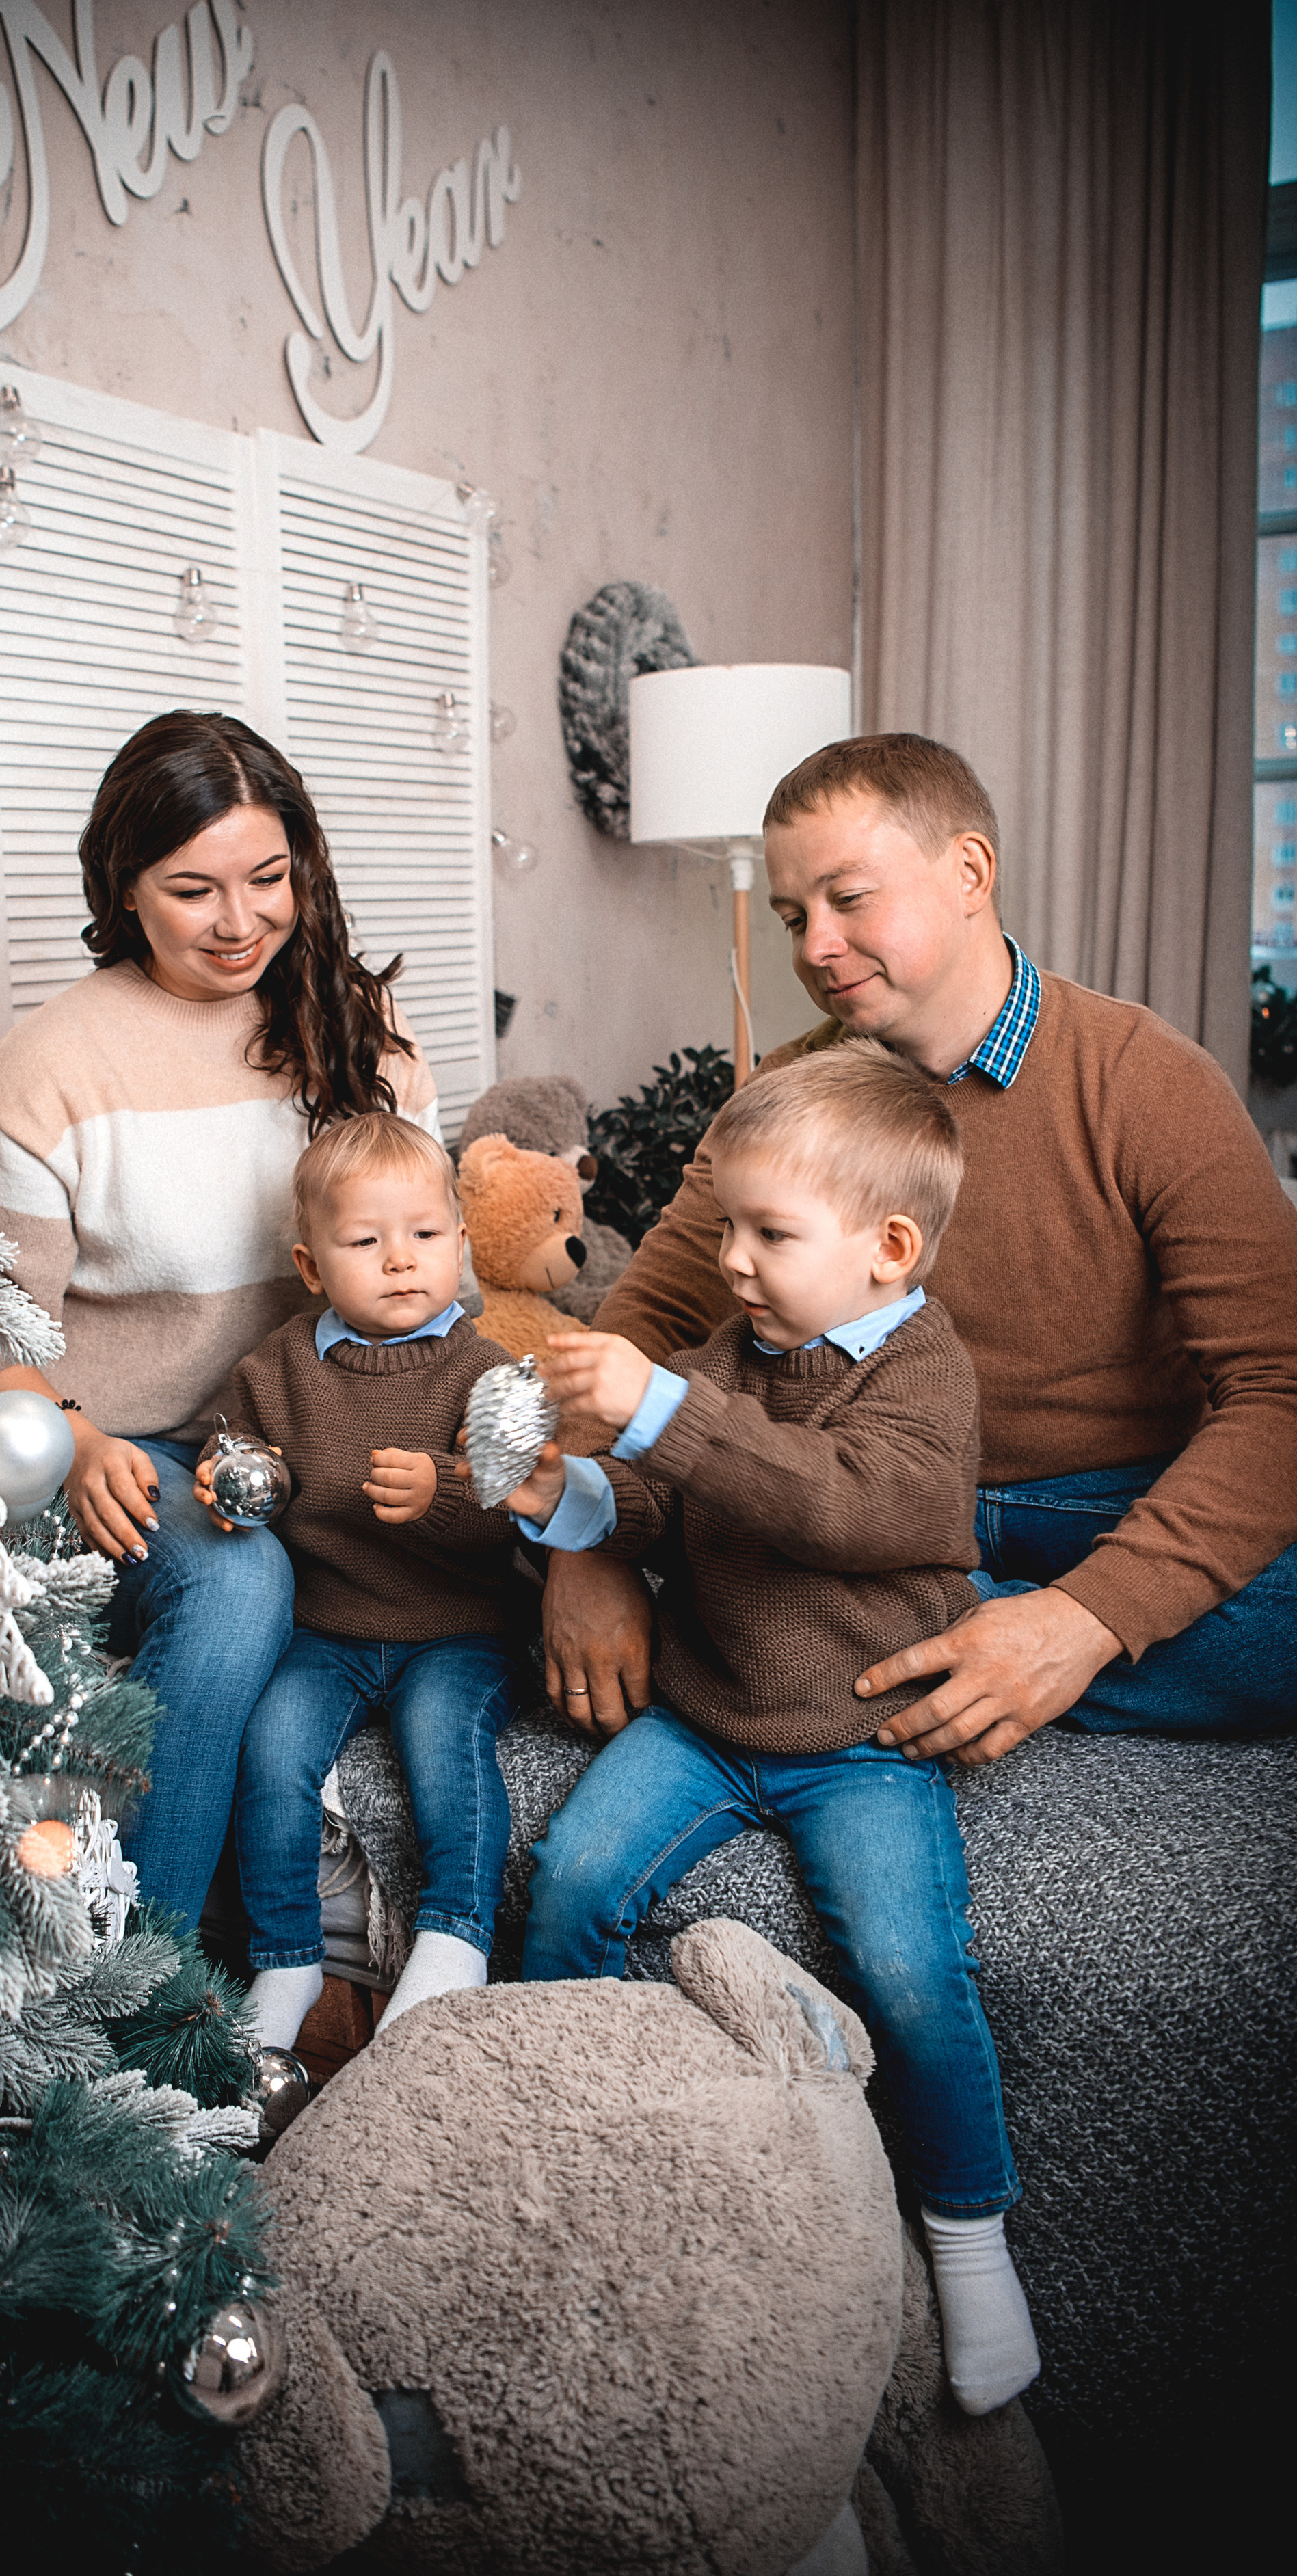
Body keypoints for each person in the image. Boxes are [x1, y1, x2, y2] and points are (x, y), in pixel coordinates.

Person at [544, 734, 1297, 1758]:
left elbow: (1278, 1391)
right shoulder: (787, 1096)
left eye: (848, 900)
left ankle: (908, 1650)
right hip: (840, 1490)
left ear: (970, 873)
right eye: (792, 916)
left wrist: (1087, 1620)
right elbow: (651, 1314)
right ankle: (912, 1647)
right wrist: (585, 1554)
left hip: (1094, 1503)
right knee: (508, 1537)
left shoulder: (1148, 1081)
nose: (813, 945)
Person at [506, 1043, 1039, 2418]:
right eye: (725, 1225)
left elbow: (842, 1504)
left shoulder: (922, 1379)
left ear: (887, 1249)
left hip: (860, 1735)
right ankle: (571, 2133)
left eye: (769, 1234)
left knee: (908, 1962)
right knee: (568, 1877)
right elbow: (662, 1507)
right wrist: (558, 1500)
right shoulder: (718, 1359)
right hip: (708, 1713)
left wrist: (670, 1417)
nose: (731, 1262)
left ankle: (969, 2237)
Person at [0, 712, 444, 1928]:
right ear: (124, 891)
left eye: (269, 879)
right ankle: (143, 1983)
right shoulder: (50, 1064)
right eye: (192, 890)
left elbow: (441, 1281)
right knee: (236, 1590)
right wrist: (71, 1439)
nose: (240, 923)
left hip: (328, 1422)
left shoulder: (364, 1039)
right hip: (136, 1451)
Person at [198, 1112, 525, 2043]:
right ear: (311, 1268)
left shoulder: (487, 1370)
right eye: (365, 1241)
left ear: (459, 1245)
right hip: (330, 1625)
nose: (400, 1261)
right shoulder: (279, 1369)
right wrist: (232, 1483)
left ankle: (457, 1937)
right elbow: (243, 1456)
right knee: (272, 1747)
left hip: (461, 1625)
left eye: (424, 1236)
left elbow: (528, 1510)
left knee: (442, 1742)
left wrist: (449, 1489)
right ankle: (286, 1959)